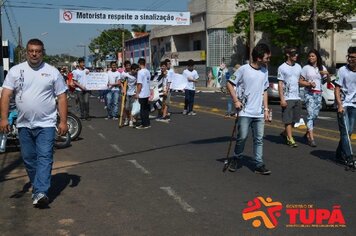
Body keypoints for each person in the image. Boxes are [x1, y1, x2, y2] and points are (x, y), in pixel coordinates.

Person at [0, 38, 68, 207]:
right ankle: (38, 186)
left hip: (46, 123)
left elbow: (62, 96)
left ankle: (40, 191)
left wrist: (64, 121)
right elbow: (6, 95)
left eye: (38, 51)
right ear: (27, 52)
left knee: (45, 156)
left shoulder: (52, 72)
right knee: (29, 159)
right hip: (24, 124)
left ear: (42, 52)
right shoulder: (16, 71)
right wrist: (3, 118)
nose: (34, 54)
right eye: (31, 51)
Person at [226, 43, 272, 175]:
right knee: (242, 137)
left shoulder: (265, 71)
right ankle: (236, 157)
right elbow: (230, 83)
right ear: (259, 58)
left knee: (259, 139)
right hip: (245, 111)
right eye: (267, 58)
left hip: (259, 112)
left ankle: (258, 164)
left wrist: (266, 110)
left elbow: (264, 91)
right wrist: (236, 100)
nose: (268, 60)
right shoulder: (244, 69)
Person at [299, 49, 330, 147]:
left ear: (317, 57)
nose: (311, 58)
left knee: (315, 115)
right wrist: (308, 83)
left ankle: (307, 133)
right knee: (310, 115)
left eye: (313, 56)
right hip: (309, 93)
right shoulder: (306, 68)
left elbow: (327, 81)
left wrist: (327, 74)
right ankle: (311, 138)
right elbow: (300, 82)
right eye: (310, 56)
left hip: (319, 94)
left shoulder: (322, 67)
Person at [334, 46, 356, 168]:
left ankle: (339, 153)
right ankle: (348, 157)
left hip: (354, 104)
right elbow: (337, 88)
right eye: (349, 57)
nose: (351, 59)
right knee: (345, 131)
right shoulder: (342, 70)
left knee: (349, 131)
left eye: (353, 57)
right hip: (344, 104)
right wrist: (339, 105)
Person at [277, 47, 302, 147]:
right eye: (294, 54)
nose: (296, 55)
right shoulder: (282, 67)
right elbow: (280, 84)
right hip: (287, 97)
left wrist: (309, 83)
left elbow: (300, 80)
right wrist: (282, 99)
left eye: (297, 54)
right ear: (288, 54)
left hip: (297, 97)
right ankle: (290, 139)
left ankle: (285, 133)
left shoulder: (299, 67)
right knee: (287, 119)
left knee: (295, 120)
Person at [135, 58, 151, 129]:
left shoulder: (140, 72)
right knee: (146, 109)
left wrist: (137, 93)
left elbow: (139, 84)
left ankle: (144, 124)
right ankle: (147, 123)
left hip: (142, 93)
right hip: (147, 92)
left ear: (139, 64)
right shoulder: (148, 71)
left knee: (142, 110)